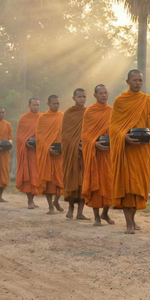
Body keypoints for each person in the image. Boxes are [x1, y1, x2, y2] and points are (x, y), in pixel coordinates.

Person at [110, 69, 150, 234]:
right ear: (127, 81)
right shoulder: (120, 101)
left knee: (138, 185)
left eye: (140, 80)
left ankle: (133, 218)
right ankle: (128, 223)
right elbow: (114, 126)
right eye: (135, 80)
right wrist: (123, 137)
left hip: (141, 150)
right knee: (127, 185)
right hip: (126, 150)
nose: (138, 83)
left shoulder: (146, 100)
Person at [81, 85, 115, 226]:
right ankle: (96, 217)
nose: (104, 95)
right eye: (101, 93)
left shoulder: (112, 111)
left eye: (106, 93)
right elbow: (85, 134)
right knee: (95, 182)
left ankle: (105, 213)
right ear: (95, 95)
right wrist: (94, 143)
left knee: (109, 183)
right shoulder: (90, 111)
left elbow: (115, 130)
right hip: (94, 154)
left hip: (108, 153)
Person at [36, 95, 65, 214]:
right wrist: (47, 148)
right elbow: (39, 137)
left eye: (58, 103)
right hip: (48, 154)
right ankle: (50, 206)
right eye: (54, 103)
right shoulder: (43, 118)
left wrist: (64, 146)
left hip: (60, 153)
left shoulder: (62, 116)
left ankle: (56, 201)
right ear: (48, 104)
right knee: (48, 181)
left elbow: (66, 133)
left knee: (61, 179)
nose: (56, 105)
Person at [62, 88, 88, 220]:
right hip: (72, 152)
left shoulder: (88, 112)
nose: (82, 99)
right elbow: (65, 135)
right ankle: (71, 208)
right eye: (79, 97)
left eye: (84, 97)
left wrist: (86, 143)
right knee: (72, 179)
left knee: (83, 181)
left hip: (85, 152)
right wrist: (75, 144)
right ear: (74, 98)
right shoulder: (68, 113)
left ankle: (80, 212)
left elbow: (90, 130)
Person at [16, 98, 41, 209]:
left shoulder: (42, 117)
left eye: (37, 105)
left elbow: (44, 133)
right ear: (29, 106)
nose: (36, 107)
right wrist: (25, 142)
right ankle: (30, 201)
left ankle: (33, 199)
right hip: (27, 151)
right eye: (34, 105)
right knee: (28, 175)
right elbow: (19, 136)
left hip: (38, 152)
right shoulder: (23, 118)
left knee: (36, 176)